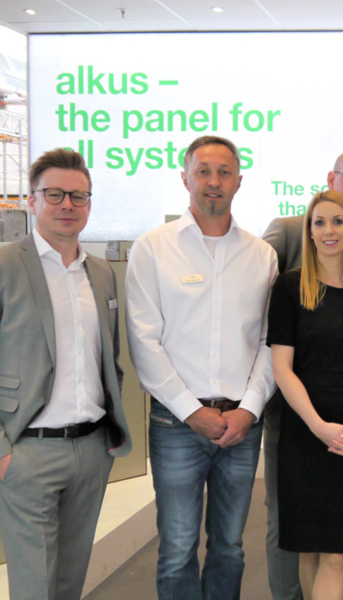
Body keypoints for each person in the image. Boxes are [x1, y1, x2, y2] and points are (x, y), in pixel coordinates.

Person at [126, 135, 278, 600]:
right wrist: (192, 412)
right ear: (185, 177)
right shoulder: (152, 248)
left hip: (242, 425)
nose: (214, 181)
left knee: (230, 548)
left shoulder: (262, 256)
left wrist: (249, 410)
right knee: (177, 550)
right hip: (176, 424)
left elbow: (270, 343)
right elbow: (144, 341)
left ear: (239, 181)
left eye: (224, 172)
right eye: (204, 171)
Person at [261, 149, 343, 600]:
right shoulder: (289, 286)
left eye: (338, 222)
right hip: (305, 429)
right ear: (309, 230)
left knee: (337, 552)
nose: (329, 230)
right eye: (319, 223)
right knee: (308, 547)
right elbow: (282, 367)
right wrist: (318, 427)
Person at [0, 148, 131, 600]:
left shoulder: (101, 272)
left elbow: (109, 358)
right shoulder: (5, 265)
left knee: (70, 584)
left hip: (91, 450)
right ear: (32, 200)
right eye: (54, 194)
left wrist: (109, 429)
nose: (67, 205)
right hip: (28, 452)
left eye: (78, 196)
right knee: (34, 588)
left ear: (89, 204)